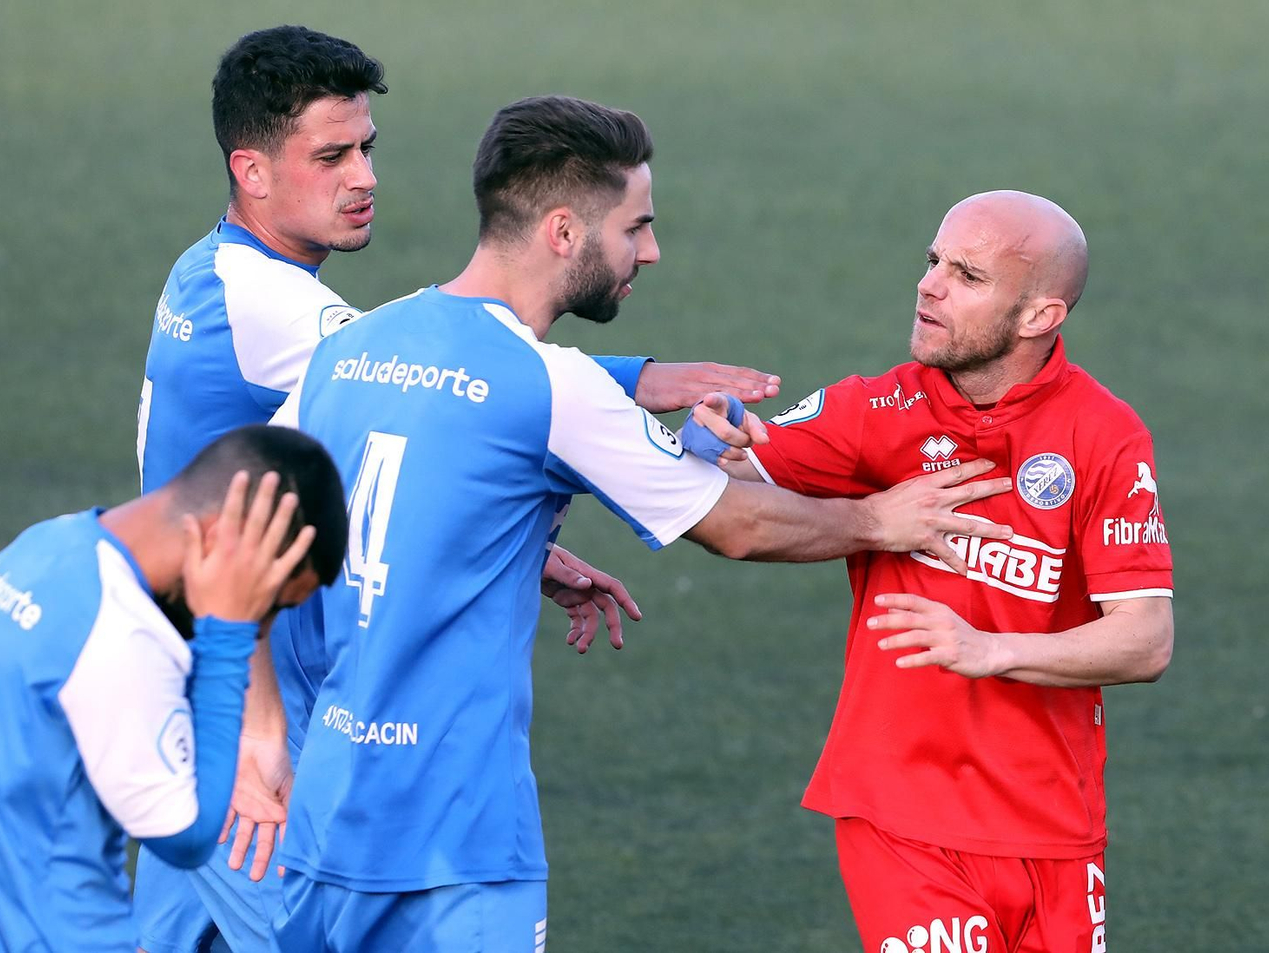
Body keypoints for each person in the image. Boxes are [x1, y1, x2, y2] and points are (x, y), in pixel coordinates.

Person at [266, 94, 1015, 952]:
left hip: (323, 820)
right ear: (561, 232)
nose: (650, 251)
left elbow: (291, 521)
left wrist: (517, 548)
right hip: (455, 839)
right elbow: (736, 525)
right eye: (635, 226)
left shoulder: (354, 347)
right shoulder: (552, 384)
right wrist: (880, 518)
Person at [133, 25, 789, 953]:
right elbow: (441, 385)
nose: (363, 176)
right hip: (236, 698)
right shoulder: (279, 309)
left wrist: (534, 543)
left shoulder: (208, 273)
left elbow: (411, 438)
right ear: (252, 169)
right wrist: (636, 377)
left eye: (367, 147)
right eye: (331, 156)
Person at [720, 191, 1174, 952]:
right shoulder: (875, 411)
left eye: (968, 275)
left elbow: (1146, 640)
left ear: (1039, 317)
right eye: (933, 262)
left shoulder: (1104, 434)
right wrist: (713, 444)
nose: (929, 285)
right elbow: (726, 491)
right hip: (903, 816)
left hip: (1055, 825)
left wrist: (990, 649)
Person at [0, 425, 348, 953]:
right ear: (219, 538)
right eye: (270, 603)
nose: (261, 627)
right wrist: (226, 638)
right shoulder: (121, 632)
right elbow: (187, 835)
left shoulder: (43, 549)